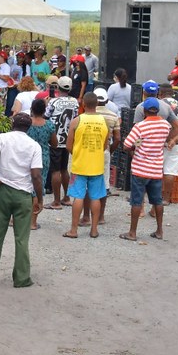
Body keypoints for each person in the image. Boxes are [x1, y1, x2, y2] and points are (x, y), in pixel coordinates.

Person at [0, 113, 43, 288]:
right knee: (22, 238)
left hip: (2, 190)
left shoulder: (2, 138)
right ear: (29, 128)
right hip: (23, 194)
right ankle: (22, 278)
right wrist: (39, 198)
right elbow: (36, 176)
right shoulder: (34, 146)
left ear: (12, 124)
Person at [119, 97, 172, 241]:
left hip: (140, 169)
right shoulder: (166, 125)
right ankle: (160, 231)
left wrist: (135, 147)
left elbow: (126, 144)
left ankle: (132, 233)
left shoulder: (140, 127)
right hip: (156, 169)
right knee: (157, 201)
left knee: (136, 201)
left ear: (144, 111)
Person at [63, 93, 109, 239]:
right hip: (96, 165)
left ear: (83, 104)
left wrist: (77, 153)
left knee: (78, 197)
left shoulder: (77, 121)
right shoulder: (104, 122)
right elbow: (105, 145)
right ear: (97, 104)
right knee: (95, 197)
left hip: (79, 165)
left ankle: (74, 230)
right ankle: (94, 230)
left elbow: (68, 145)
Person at [80, 88, 121, 225]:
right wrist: (110, 150)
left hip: (87, 151)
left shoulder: (86, 116)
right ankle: (101, 217)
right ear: (107, 101)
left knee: (86, 183)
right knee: (103, 185)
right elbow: (117, 139)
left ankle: (86, 216)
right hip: (104, 152)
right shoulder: (113, 116)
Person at [43, 76, 78, 210]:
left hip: (55, 139)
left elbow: (46, 116)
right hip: (68, 138)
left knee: (55, 170)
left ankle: (56, 201)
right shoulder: (74, 102)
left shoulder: (54, 102)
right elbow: (75, 117)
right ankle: (67, 197)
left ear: (58, 87)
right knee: (64, 168)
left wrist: (47, 104)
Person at [154, 83, 178, 213]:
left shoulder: (157, 104)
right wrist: (174, 140)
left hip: (157, 142)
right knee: (170, 171)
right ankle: (166, 199)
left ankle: (155, 197)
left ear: (160, 93)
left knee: (156, 171)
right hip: (175, 144)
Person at [26, 99, 57, 230]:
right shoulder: (49, 125)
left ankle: (15, 218)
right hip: (42, 157)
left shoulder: (27, 124)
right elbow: (54, 143)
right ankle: (33, 222)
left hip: (26, 156)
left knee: (24, 184)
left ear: (31, 109)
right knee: (37, 186)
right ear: (44, 110)